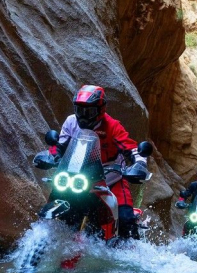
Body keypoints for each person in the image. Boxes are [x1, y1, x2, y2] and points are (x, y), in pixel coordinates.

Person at [48, 85, 148, 239]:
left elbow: (132, 148)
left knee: (126, 220)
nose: (82, 116)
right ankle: (42, 236)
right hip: (78, 177)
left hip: (111, 178)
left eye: (89, 111)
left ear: (101, 109)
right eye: (79, 110)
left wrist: (140, 163)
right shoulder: (70, 122)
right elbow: (59, 145)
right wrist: (51, 156)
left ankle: (131, 251)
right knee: (56, 197)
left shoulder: (113, 126)